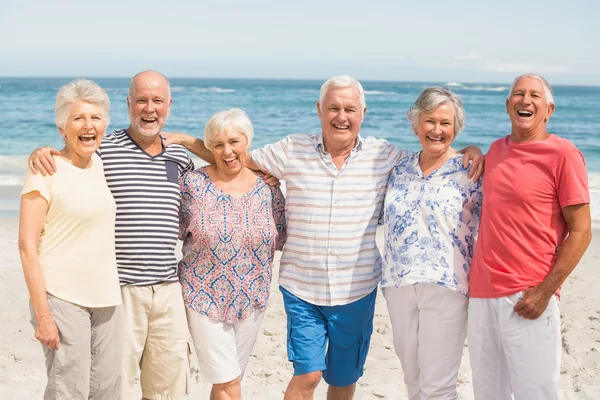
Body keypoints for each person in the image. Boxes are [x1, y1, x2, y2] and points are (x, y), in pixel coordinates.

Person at [164, 75, 484, 400]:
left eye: (349, 109)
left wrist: (469, 150)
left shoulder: (385, 156)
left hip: (356, 290)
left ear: (363, 112)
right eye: (333, 108)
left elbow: (433, 154)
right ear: (319, 110)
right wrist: (190, 142)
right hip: (302, 288)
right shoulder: (292, 149)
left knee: (343, 381)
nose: (341, 116)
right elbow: (234, 157)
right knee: (308, 374)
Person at [28, 71, 194, 400]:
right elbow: (70, 158)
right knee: (116, 386)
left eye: (157, 101)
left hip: (168, 288)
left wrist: (190, 140)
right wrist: (41, 152)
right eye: (142, 101)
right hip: (119, 291)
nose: (150, 109)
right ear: (128, 104)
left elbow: (222, 161)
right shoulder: (105, 148)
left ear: (169, 106)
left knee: (169, 387)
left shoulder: (181, 158)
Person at [468, 74, 592, 399]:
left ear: (549, 109)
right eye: (519, 94)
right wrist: (469, 149)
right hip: (481, 295)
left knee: (535, 394)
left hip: (527, 296)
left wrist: (545, 292)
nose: (526, 100)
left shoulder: (563, 154)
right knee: (488, 393)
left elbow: (581, 231)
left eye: (535, 95)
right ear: (507, 106)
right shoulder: (494, 150)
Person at [18, 79, 122, 399]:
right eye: (78, 118)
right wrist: (43, 314)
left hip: (106, 299)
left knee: (108, 389)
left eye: (95, 118)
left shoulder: (101, 164)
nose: (88, 126)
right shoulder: (45, 170)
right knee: (69, 389)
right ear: (62, 128)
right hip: (62, 297)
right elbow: (25, 246)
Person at [381, 87, 482, 399]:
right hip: (398, 285)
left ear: (456, 128)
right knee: (413, 378)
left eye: (445, 123)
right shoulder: (397, 167)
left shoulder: (471, 170)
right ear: (415, 124)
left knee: (437, 385)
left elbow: (501, 220)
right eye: (430, 121)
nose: (437, 130)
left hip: (447, 286)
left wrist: (475, 149)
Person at [178, 108, 286, 400]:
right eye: (218, 144)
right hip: (202, 297)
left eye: (234, 142)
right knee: (228, 382)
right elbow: (172, 231)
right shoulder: (191, 185)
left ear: (247, 142)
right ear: (209, 148)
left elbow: (282, 237)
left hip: (251, 298)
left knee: (229, 380)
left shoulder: (269, 189)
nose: (227, 151)